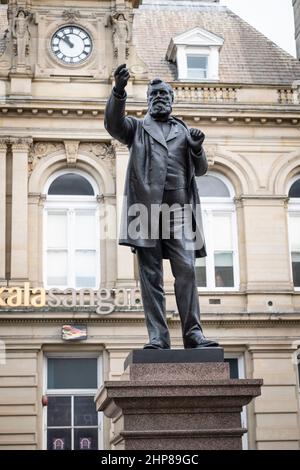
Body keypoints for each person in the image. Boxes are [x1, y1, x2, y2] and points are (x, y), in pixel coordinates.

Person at [105, 64, 218, 349]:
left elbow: (201, 170)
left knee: (187, 271)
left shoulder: (184, 131)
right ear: (147, 100)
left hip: (179, 212)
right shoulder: (138, 128)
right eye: (154, 94)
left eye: (164, 94)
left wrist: (196, 148)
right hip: (146, 211)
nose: (159, 98)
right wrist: (119, 92)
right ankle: (158, 336)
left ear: (172, 99)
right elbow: (113, 125)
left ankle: (193, 334)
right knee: (150, 276)